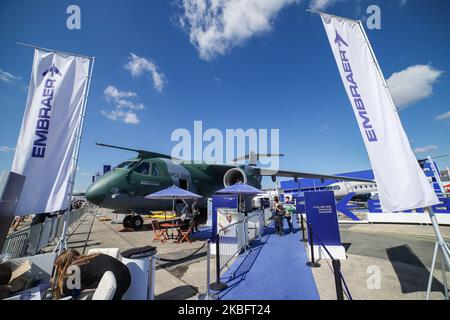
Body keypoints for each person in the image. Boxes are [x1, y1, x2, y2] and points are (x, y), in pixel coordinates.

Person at [52, 249, 131, 300]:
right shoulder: (88, 258)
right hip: (125, 275)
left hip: (118, 283)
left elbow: (71, 294)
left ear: (64, 265)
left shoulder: (73, 269)